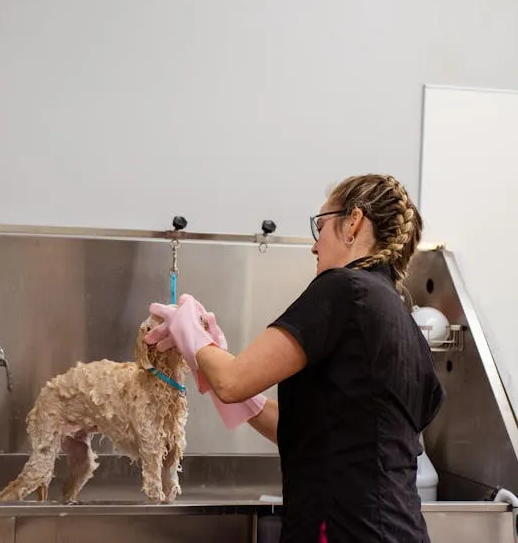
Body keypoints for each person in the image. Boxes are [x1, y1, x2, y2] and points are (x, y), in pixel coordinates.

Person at [145, 174, 446, 543]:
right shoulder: (405, 325)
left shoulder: (343, 289)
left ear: (352, 222)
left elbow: (232, 382)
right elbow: (316, 432)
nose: (315, 246)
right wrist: (224, 370)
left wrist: (189, 329)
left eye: (320, 226)